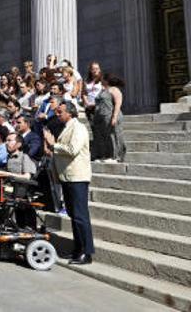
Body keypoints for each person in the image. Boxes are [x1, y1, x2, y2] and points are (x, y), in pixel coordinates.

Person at [44, 100, 94, 265]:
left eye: (60, 112)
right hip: (67, 177)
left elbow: (73, 149)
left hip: (77, 177)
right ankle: (78, 248)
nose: (57, 115)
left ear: (70, 113)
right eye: (57, 112)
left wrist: (54, 145)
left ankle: (87, 252)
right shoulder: (66, 128)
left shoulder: (78, 127)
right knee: (73, 215)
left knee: (80, 215)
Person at [92, 73, 126, 163]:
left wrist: (114, 117)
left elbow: (118, 104)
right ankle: (106, 155)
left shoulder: (114, 90)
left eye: (102, 79)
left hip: (110, 115)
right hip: (101, 117)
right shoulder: (103, 90)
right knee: (104, 137)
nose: (101, 80)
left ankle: (116, 157)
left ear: (106, 80)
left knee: (113, 136)